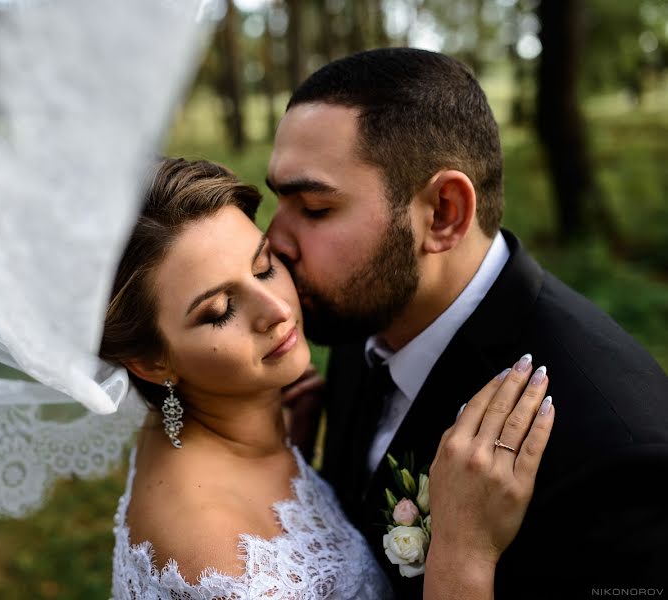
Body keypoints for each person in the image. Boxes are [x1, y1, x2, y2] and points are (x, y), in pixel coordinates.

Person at [266, 48, 668, 599]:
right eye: (279, 203)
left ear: (444, 213)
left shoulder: (616, 452)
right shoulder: (366, 311)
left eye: (314, 208)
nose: (274, 243)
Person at [102, 157, 555, 599]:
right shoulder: (219, 565)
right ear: (150, 362)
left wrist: (291, 450)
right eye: (219, 312)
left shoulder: (172, 431)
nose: (277, 310)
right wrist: (462, 554)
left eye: (264, 267)